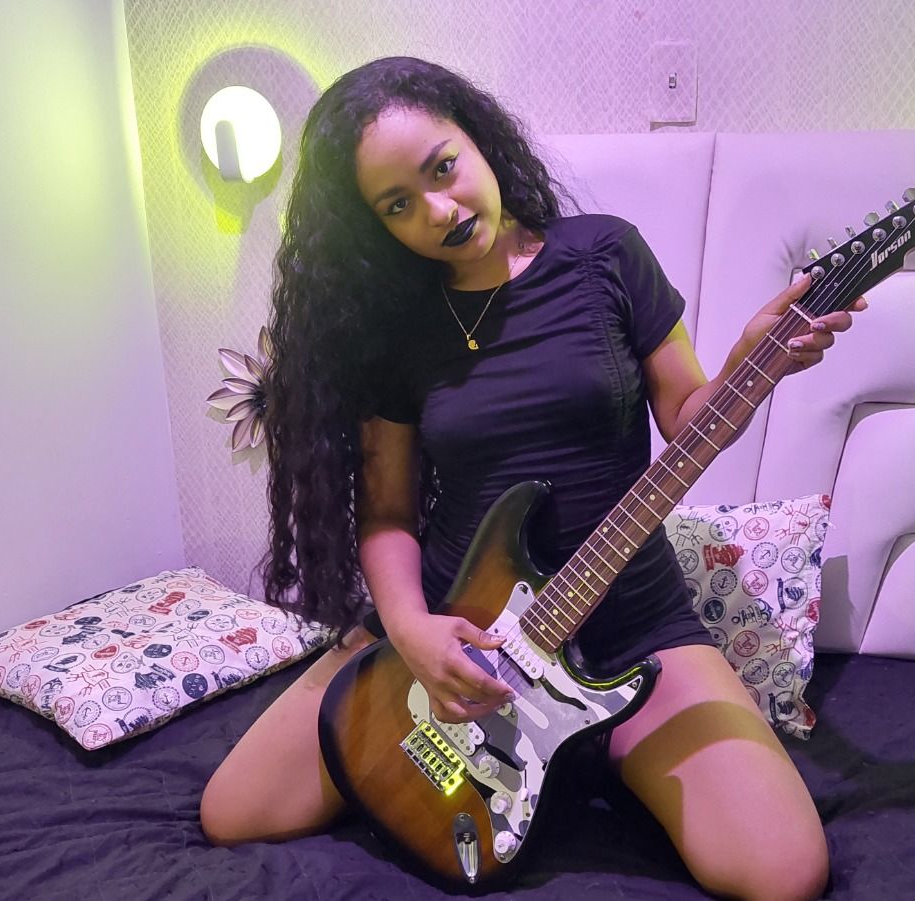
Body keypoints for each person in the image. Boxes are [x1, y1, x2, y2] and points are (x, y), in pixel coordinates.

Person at [199, 56, 863, 901]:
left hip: (628, 624)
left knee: (786, 872)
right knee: (235, 808)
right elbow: (388, 511)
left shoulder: (605, 255)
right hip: (461, 628)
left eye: (443, 168)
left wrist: (749, 365)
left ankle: (590, 745)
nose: (438, 210)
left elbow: (688, 416)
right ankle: (556, 756)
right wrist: (413, 632)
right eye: (397, 205)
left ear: (479, 139)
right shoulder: (394, 329)